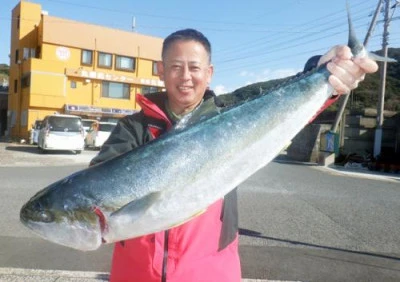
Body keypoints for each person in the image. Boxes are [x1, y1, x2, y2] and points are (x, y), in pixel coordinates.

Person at [90, 28, 378, 282]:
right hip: (136, 275)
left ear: (209, 72)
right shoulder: (132, 128)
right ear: (161, 70)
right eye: (176, 67)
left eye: (194, 67)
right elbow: (97, 186)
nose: (186, 77)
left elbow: (275, 99)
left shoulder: (229, 114)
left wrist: (323, 69)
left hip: (212, 273)